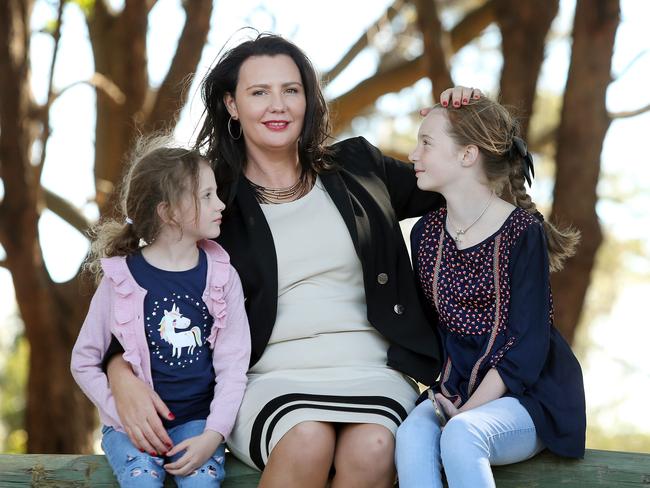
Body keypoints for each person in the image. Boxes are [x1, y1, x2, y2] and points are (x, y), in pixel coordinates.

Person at [102, 33, 480, 488]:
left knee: (375, 447)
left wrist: (472, 119)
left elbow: (475, 180)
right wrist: (118, 369)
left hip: (373, 371)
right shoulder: (208, 192)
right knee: (305, 439)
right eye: (259, 92)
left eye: (291, 90)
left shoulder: (358, 168)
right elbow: (145, 281)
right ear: (232, 105)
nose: (278, 105)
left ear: (308, 99)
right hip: (265, 375)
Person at [394, 98, 586, 488]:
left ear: (468, 154)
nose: (414, 154)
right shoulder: (426, 234)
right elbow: (431, 330)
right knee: (411, 435)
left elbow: (527, 343)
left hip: (527, 394)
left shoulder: (521, 232)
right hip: (455, 389)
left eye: (427, 143)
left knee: (463, 435)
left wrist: (467, 410)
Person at [70, 138, 251, 487]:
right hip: (130, 429)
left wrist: (214, 434)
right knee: (141, 482)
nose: (221, 204)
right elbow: (84, 360)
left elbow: (234, 364)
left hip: (199, 424)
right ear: (168, 212)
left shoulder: (222, 276)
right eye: (207, 196)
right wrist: (121, 415)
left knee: (201, 483)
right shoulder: (121, 278)